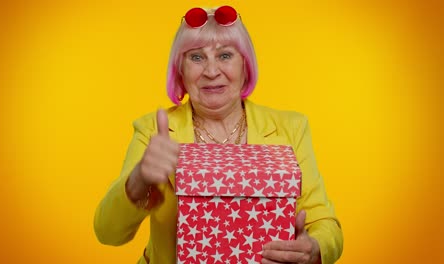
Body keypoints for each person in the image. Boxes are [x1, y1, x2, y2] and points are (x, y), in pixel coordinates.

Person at [94, 5, 343, 264]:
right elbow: (107, 232)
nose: (211, 71)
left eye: (225, 56)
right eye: (197, 57)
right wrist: (138, 179)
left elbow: (325, 225)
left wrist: (314, 249)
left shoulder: (291, 128)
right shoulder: (154, 131)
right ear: (180, 69)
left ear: (245, 66)